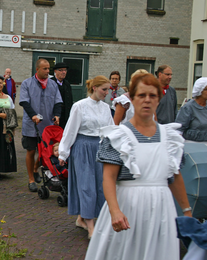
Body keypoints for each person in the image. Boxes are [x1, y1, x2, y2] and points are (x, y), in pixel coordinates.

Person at [85, 73, 191, 260]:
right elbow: (108, 178)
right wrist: (114, 210)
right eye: (141, 95)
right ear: (132, 99)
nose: (147, 100)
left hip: (161, 208)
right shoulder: (119, 136)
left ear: (159, 99)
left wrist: (187, 211)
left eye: (152, 95)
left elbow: (175, 176)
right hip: (127, 207)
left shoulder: (170, 137)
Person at [58, 75, 114, 238]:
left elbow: (111, 129)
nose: (106, 93)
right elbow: (70, 130)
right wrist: (63, 152)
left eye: (108, 90)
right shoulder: (79, 106)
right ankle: (91, 227)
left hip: (100, 148)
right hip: (82, 148)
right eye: (104, 89)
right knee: (86, 186)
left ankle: (82, 219)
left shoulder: (105, 107)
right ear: (94, 88)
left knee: (99, 186)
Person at [20, 59, 63, 192]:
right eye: (44, 69)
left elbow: (58, 102)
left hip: (47, 125)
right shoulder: (27, 84)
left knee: (46, 150)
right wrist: (33, 115)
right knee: (31, 150)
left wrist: (57, 115)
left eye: (48, 69)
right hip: (31, 124)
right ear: (37, 69)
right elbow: (24, 102)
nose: (47, 71)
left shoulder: (53, 84)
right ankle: (31, 178)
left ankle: (35, 167)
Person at [176, 77, 207, 141]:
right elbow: (179, 131)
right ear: (199, 90)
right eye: (206, 89)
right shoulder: (188, 108)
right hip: (192, 146)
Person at [50, 62, 73, 129]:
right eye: (61, 70)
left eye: (65, 70)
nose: (63, 72)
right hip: (55, 115)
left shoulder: (67, 83)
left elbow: (70, 100)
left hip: (65, 116)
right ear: (55, 71)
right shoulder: (50, 82)